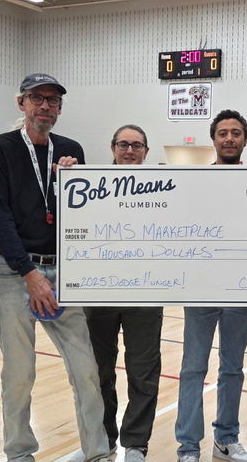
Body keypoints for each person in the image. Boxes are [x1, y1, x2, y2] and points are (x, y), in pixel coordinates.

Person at [0, 73, 111, 462]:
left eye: (53, 101)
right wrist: (29, 274)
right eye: (37, 99)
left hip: (64, 274)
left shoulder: (70, 151)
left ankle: (98, 453)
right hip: (14, 274)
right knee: (19, 374)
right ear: (21, 104)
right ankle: (19, 453)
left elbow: (81, 217)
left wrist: (70, 183)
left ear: (59, 109)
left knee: (86, 370)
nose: (45, 107)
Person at [175, 109, 247, 462]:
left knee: (232, 368)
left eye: (235, 133)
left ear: (244, 139)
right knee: (193, 367)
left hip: (241, 290)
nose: (228, 138)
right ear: (214, 140)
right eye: (222, 133)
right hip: (201, 290)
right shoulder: (195, 183)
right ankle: (188, 446)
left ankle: (226, 439)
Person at [84, 124, 162, 462]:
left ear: (146, 151)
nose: (129, 151)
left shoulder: (163, 189)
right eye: (123, 144)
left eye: (136, 145)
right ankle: (103, 440)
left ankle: (136, 444)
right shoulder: (88, 186)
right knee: (99, 371)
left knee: (143, 371)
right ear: (112, 148)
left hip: (146, 293)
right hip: (99, 293)